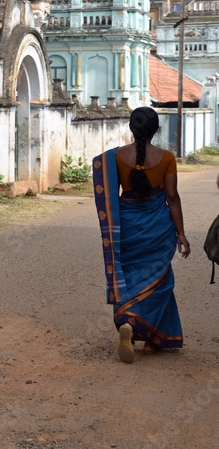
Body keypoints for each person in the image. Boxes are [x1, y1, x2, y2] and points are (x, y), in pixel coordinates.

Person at [92, 106, 190, 363]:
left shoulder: (114, 157)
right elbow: (172, 197)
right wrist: (181, 234)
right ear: (156, 130)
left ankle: (128, 323)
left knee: (129, 276)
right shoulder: (167, 157)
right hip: (157, 227)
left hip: (126, 226)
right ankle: (151, 340)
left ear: (131, 128)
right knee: (160, 281)